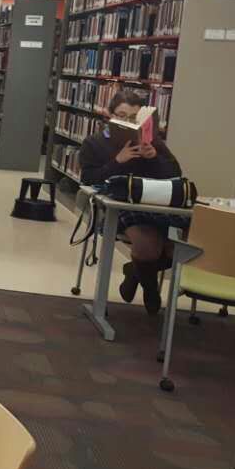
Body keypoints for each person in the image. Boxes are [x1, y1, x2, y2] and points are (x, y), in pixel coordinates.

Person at [78, 88, 183, 315]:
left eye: (134, 118)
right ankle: (151, 289)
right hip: (119, 207)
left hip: (155, 204)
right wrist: (118, 161)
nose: (128, 122)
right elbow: (88, 179)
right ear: (110, 115)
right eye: (122, 116)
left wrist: (154, 158)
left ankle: (134, 272)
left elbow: (175, 174)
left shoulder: (152, 142)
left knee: (176, 249)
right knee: (148, 247)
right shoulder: (94, 143)